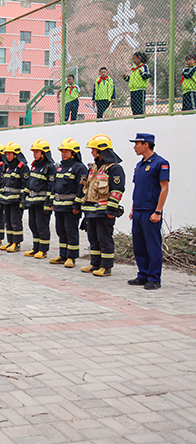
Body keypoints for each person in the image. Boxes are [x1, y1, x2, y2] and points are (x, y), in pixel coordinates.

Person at [79, 134, 125, 277]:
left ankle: (106, 266)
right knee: (93, 238)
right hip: (91, 211)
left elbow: (117, 190)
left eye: (93, 150)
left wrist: (112, 209)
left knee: (104, 238)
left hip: (104, 211)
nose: (92, 152)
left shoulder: (114, 169)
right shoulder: (94, 167)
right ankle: (95, 263)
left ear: (101, 151)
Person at [128, 133, 169, 290]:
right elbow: (137, 188)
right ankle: (143, 275)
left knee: (152, 245)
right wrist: (133, 209)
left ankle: (154, 278)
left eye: (137, 144)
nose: (134, 147)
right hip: (138, 210)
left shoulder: (160, 163)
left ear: (146, 144)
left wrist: (158, 211)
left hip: (150, 211)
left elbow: (164, 188)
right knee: (139, 245)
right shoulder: (139, 165)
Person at [49, 139, 88, 267]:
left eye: (66, 151)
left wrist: (77, 205)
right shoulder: (59, 168)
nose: (63, 154)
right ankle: (63, 255)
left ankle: (71, 257)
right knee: (61, 231)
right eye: (62, 151)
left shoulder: (80, 168)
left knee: (71, 232)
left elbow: (82, 188)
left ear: (74, 153)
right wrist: (51, 201)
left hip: (71, 208)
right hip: (59, 206)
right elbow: (54, 186)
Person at [23, 139, 56, 259]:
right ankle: (36, 248)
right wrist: (24, 196)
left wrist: (48, 203)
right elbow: (29, 183)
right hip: (32, 202)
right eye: (34, 152)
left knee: (42, 226)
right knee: (33, 225)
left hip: (42, 203)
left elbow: (51, 186)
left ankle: (43, 250)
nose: (34, 154)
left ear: (44, 153)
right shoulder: (34, 166)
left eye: (37, 152)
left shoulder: (50, 167)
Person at [0, 142, 29, 252]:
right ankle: (10, 241)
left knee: (15, 222)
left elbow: (25, 185)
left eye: (10, 154)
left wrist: (22, 200)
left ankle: (16, 243)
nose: (7, 156)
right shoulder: (6, 167)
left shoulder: (23, 167)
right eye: (6, 154)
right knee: (8, 222)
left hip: (16, 201)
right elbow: (3, 183)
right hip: (6, 200)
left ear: (15, 155)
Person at [123, 52, 151, 116]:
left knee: (140, 107)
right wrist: (126, 77)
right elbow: (131, 79)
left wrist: (142, 73)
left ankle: (141, 118)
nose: (133, 61)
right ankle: (135, 118)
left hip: (140, 90)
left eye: (134, 59)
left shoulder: (144, 66)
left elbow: (147, 76)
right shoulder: (134, 68)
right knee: (134, 107)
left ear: (139, 58)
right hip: (133, 90)